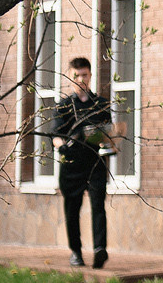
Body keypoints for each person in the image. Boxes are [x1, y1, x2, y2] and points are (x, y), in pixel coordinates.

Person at [45, 57, 120, 269]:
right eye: (76, 75)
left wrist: (111, 142)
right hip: (71, 165)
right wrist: (63, 146)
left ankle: (99, 250)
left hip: (95, 163)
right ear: (70, 77)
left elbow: (109, 133)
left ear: (90, 76)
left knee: (98, 206)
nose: (81, 79)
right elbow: (55, 135)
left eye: (84, 75)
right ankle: (76, 252)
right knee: (72, 209)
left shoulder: (101, 105)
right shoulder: (63, 106)